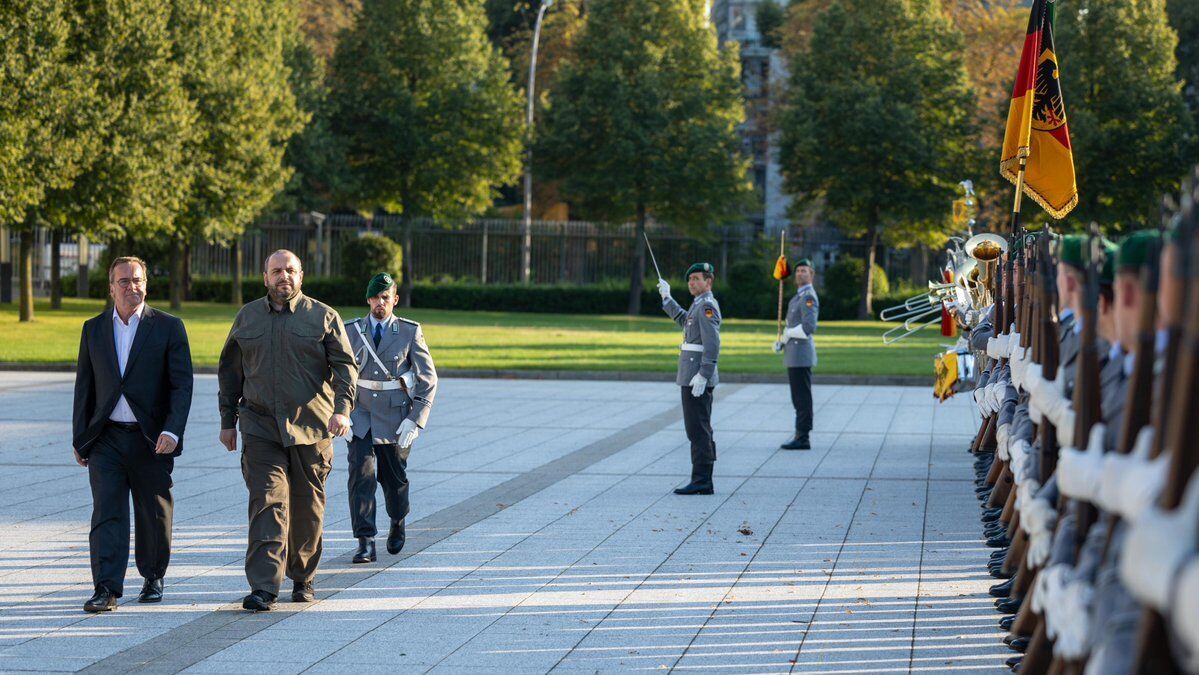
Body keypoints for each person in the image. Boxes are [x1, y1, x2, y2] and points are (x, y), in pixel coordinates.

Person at [217, 249, 356, 611]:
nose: (284, 277)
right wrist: (227, 422)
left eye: (290, 270)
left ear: (301, 275)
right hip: (260, 427)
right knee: (268, 503)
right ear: (265, 277)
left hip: (312, 428)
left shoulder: (323, 317)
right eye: (277, 271)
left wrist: (342, 411)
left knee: (308, 508)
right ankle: (264, 586)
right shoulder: (247, 318)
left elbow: (345, 369)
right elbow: (231, 373)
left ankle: (303, 575)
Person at [72, 256, 193, 612]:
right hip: (106, 438)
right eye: (123, 281)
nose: (131, 287)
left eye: (137, 280)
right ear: (111, 287)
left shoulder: (168, 327)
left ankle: (153, 575)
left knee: (153, 512)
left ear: (146, 284)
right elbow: (85, 387)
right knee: (107, 512)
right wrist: (81, 438)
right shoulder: (93, 329)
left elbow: (181, 386)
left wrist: (172, 430)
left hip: (151, 437)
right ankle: (106, 588)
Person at [344, 273, 438, 564]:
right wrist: (340, 413)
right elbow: (335, 375)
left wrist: (416, 419)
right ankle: (365, 540)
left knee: (393, 478)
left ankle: (397, 520)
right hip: (360, 416)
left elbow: (428, 378)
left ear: (395, 300)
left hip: (397, 419)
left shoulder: (409, 331)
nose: (380, 303)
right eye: (375, 297)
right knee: (361, 477)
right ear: (368, 299)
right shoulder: (350, 331)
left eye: (386, 298)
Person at [657, 263, 721, 495]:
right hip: (691, 374)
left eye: (696, 278)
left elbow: (712, 344)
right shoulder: (697, 305)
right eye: (690, 279)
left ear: (708, 282)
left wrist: (704, 374)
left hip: (696, 376)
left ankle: (702, 480)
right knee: (697, 428)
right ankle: (701, 479)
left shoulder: (706, 306)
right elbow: (686, 321)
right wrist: (667, 298)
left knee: (698, 429)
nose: (692, 282)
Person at [774, 258, 819, 450]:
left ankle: (803, 437)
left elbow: (809, 327)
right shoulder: (797, 297)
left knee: (802, 398)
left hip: (801, 355)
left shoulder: (808, 296)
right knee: (797, 397)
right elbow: (792, 325)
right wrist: (782, 341)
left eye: (805, 271)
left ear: (812, 275)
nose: (800, 273)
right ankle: (800, 433)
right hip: (794, 354)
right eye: (798, 271)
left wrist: (788, 334)